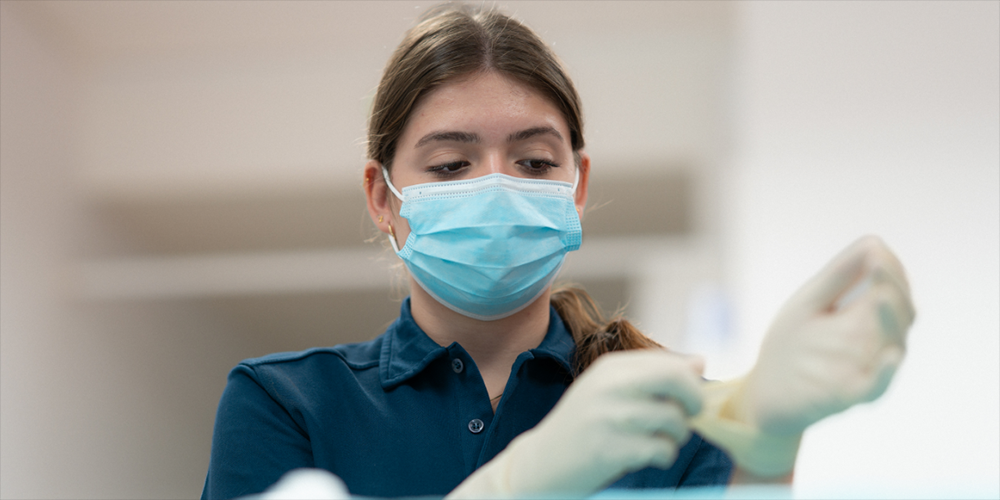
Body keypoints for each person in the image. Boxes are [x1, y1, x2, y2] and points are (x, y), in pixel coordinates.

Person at [202, 4, 915, 499]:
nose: (497, 188)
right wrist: (525, 482)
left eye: (535, 163)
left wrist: (769, 452)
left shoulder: (667, 408)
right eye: (451, 166)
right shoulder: (287, 405)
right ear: (383, 197)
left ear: (577, 188)